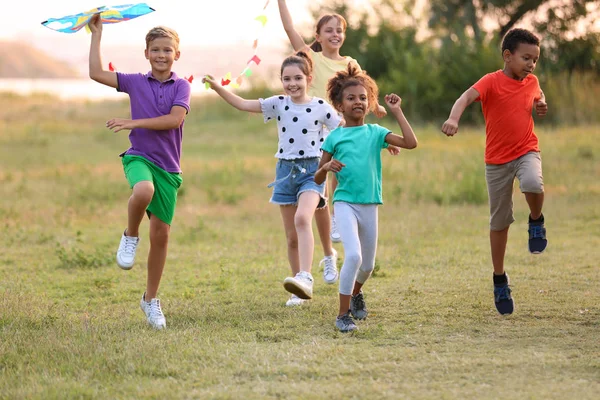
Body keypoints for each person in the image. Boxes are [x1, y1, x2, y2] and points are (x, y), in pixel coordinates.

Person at [203, 51, 342, 306]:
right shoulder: (278, 103)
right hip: (284, 173)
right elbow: (243, 104)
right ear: (281, 80)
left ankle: (306, 275)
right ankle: (298, 289)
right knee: (291, 237)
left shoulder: (321, 106)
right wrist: (216, 88)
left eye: (298, 78)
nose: (292, 84)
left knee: (303, 218)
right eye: (287, 79)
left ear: (309, 79)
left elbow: (343, 130)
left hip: (314, 171)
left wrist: (376, 142)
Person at [277, 0, 399, 285]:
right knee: (320, 184)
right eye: (328, 30)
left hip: (340, 128)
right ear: (317, 36)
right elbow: (289, 28)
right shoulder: (310, 57)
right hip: (313, 131)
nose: (335, 34)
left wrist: (378, 107)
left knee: (337, 172)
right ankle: (329, 250)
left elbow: (363, 89)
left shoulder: (350, 63)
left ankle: (334, 222)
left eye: (339, 30)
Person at [88, 14, 191, 329]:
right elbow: (95, 73)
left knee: (161, 236)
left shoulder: (182, 86)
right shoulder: (134, 81)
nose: (161, 55)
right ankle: (129, 234)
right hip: (139, 157)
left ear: (177, 54)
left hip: (169, 168)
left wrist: (133, 122)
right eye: (156, 50)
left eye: (167, 50)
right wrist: (96, 34)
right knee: (142, 191)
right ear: (146, 53)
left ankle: (150, 299)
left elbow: (174, 120)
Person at [441, 28, 549, 315]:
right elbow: (464, 98)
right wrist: (453, 119)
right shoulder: (491, 81)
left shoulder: (532, 80)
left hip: (527, 149)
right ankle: (499, 278)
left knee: (533, 183)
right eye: (526, 58)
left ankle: (536, 220)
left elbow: (538, 93)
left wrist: (541, 103)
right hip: (497, 161)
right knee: (499, 221)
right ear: (507, 55)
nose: (531, 65)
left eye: (535, 60)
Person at [315, 65, 417, 332]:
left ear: (369, 102)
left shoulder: (376, 133)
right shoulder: (334, 137)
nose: (358, 102)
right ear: (339, 104)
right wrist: (326, 168)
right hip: (345, 203)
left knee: (368, 265)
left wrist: (397, 112)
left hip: (370, 204)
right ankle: (342, 314)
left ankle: (356, 293)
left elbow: (410, 142)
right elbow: (316, 177)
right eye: (351, 98)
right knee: (354, 257)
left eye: (363, 97)